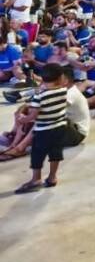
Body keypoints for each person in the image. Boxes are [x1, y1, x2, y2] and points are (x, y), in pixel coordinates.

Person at [14, 64, 69, 193]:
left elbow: (33, 115)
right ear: (61, 78)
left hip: (43, 130)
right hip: (60, 127)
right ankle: (52, 177)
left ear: (43, 79)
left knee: (37, 154)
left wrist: (22, 118)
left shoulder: (39, 97)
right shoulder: (63, 90)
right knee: (55, 152)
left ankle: (36, 179)